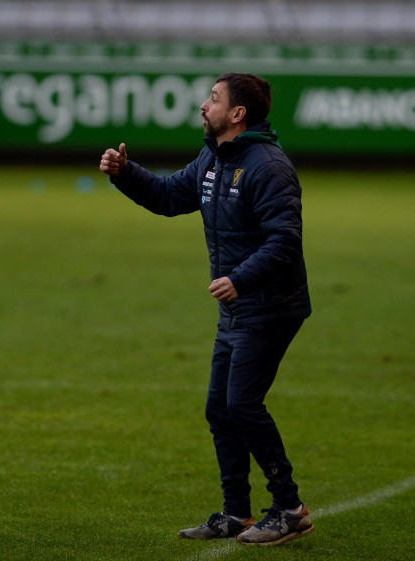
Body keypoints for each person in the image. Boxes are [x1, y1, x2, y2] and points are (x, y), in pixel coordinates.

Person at [99, 72, 314, 546]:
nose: (203, 105)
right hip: (239, 307)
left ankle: (289, 507)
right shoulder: (213, 159)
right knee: (220, 409)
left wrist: (239, 278)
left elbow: (285, 240)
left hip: (272, 305)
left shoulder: (267, 166)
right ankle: (236, 513)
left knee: (241, 404)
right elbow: (171, 197)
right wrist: (125, 174)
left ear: (237, 114)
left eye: (213, 99)